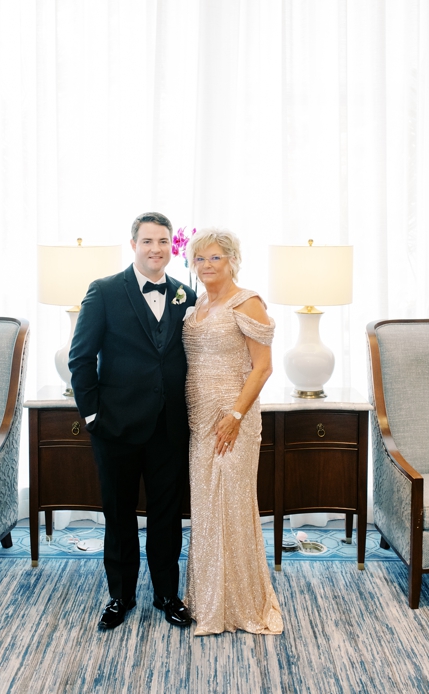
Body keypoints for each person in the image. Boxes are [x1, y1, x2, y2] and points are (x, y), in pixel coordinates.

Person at [69, 211, 197, 630]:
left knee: (167, 516)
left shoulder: (186, 295)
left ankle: (166, 594)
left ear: (171, 247)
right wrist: (92, 416)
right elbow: (81, 359)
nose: (156, 249)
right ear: (134, 245)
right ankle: (119, 596)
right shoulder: (104, 291)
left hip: (170, 428)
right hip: (115, 428)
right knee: (119, 515)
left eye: (163, 241)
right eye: (147, 241)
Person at [182, 228, 282, 635]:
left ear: (232, 260)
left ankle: (239, 604)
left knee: (232, 506)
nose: (207, 266)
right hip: (199, 420)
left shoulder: (248, 302)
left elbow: (263, 367)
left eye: (215, 258)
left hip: (232, 420)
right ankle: (208, 598)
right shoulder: (197, 304)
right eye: (200, 259)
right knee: (206, 510)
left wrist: (236, 415)